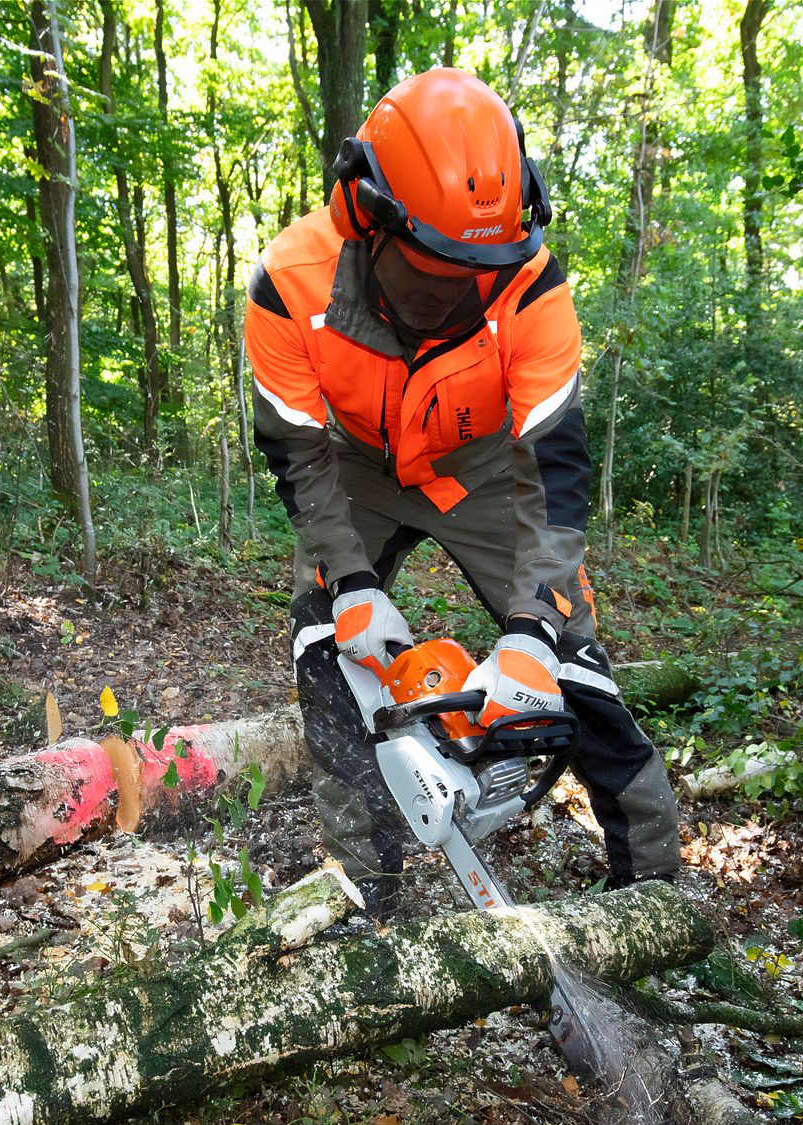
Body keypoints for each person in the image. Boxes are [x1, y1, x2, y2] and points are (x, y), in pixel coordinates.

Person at [245, 67, 683, 917]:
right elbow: (298, 456)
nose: (460, 290)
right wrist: (351, 581)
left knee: (576, 660)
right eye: (436, 270)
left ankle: (653, 891)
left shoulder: (533, 288)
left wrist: (532, 628)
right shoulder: (289, 284)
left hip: (485, 466)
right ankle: (364, 884)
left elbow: (554, 471)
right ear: (369, 215)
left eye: (477, 269)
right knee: (324, 644)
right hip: (358, 467)